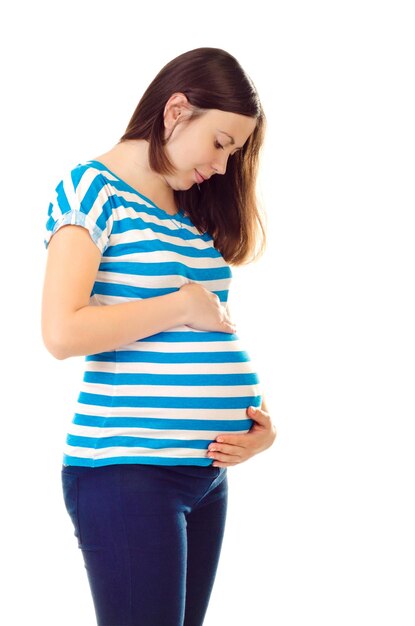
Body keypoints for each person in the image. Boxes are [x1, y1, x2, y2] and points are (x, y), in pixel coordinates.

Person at [41, 46, 277, 626]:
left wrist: (255, 427)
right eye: (220, 142)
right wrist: (179, 305)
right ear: (177, 110)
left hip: (205, 477)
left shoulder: (185, 212)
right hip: (128, 470)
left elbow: (205, 334)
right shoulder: (91, 189)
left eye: (235, 152)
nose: (223, 166)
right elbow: (62, 330)